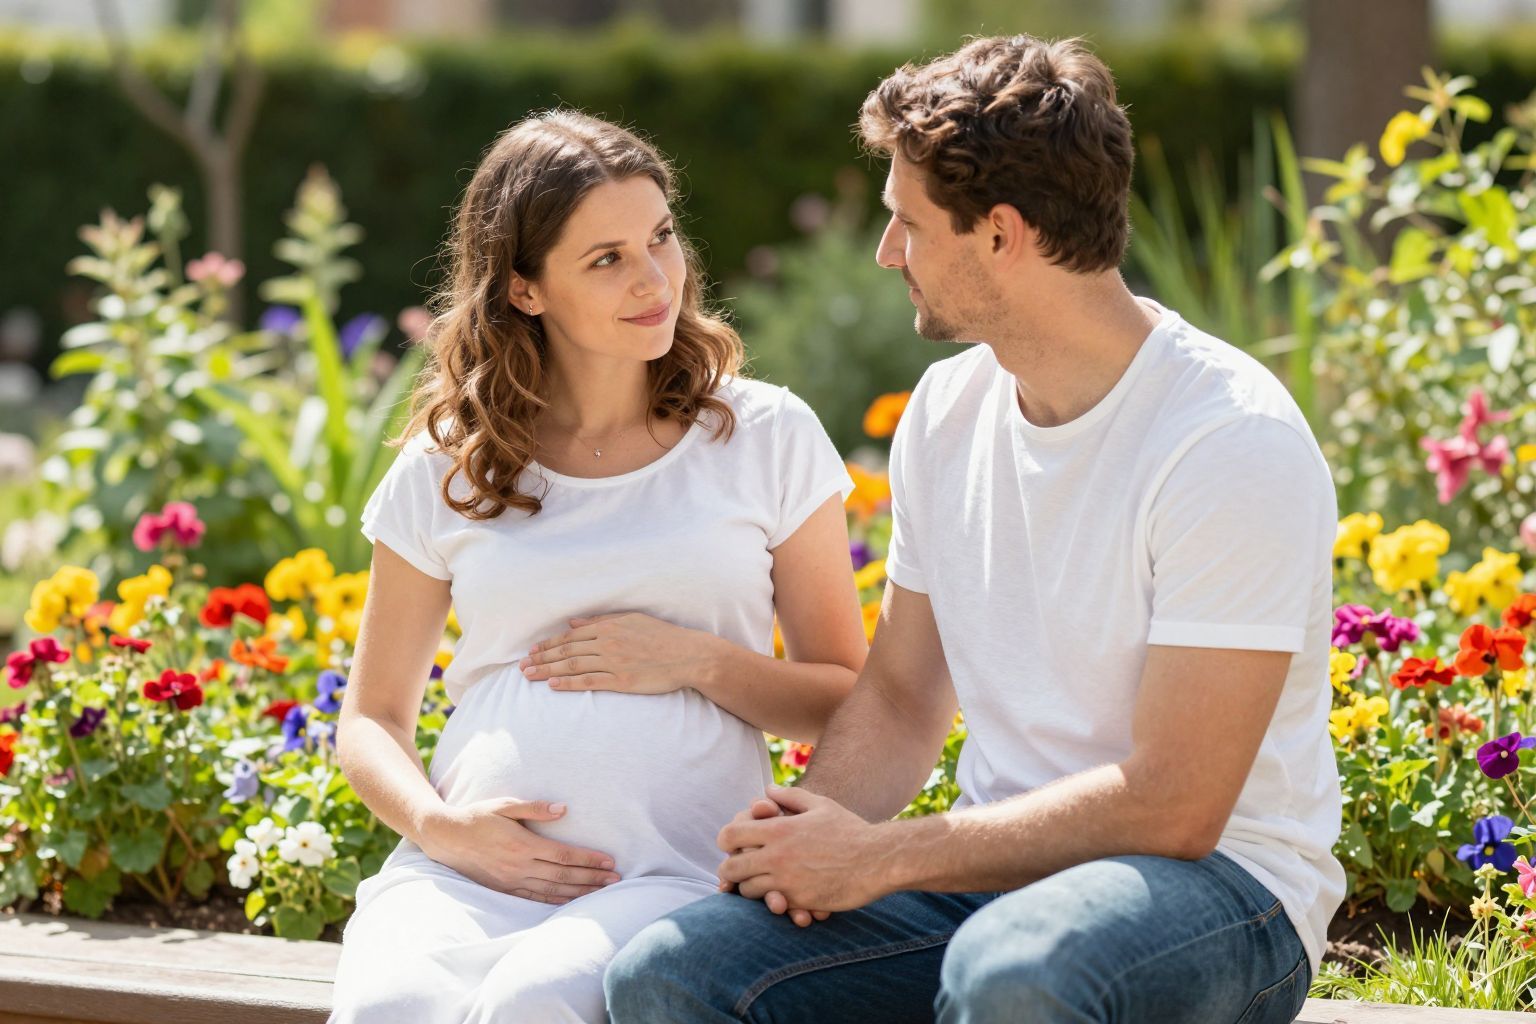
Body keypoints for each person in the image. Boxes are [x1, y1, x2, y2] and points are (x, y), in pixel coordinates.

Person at [606, 34, 1343, 1024]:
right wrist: (806, 840)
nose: (887, 252)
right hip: (992, 879)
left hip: (1221, 892)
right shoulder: (948, 412)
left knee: (1015, 973)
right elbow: (903, 695)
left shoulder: (1226, 440)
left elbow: (1175, 803)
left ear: (1000, 234)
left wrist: (882, 858)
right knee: (671, 972)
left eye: (908, 223)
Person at [327, 109, 867, 1024]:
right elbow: (372, 718)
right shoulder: (449, 462)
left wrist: (694, 661)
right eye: (607, 258)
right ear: (525, 289)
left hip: (672, 871)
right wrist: (440, 827)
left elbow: (844, 696)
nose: (655, 279)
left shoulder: (765, 435)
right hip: (466, 873)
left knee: (532, 1004)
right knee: (391, 1007)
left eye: (661, 237)